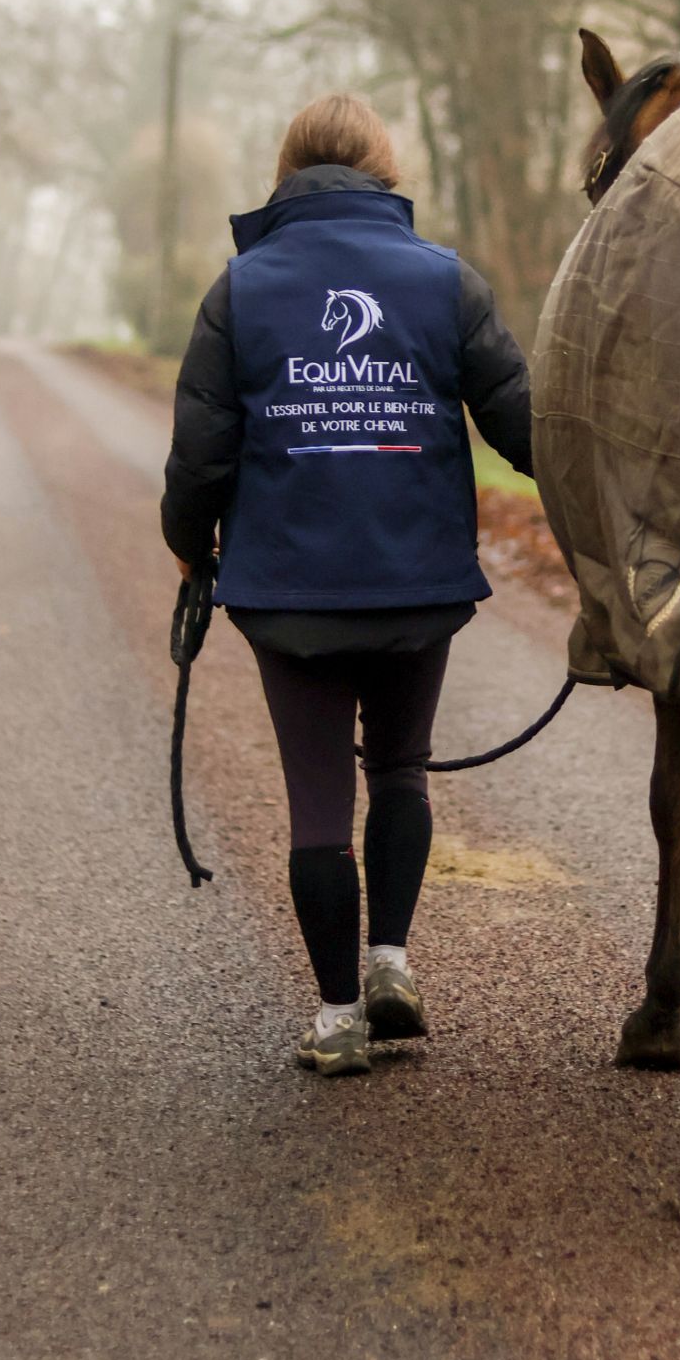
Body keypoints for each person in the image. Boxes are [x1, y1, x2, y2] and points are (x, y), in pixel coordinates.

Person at [161, 93, 533, 1077]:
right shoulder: (447, 280)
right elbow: (523, 423)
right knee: (401, 767)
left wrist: (190, 546)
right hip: (419, 581)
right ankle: (391, 962)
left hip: (288, 592)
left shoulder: (240, 288)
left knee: (318, 802)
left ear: (286, 173)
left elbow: (200, 454)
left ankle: (336, 1018)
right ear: (385, 169)